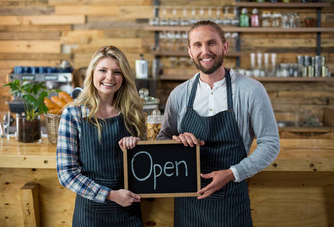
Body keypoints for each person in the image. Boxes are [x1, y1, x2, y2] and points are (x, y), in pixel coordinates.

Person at [156, 20, 280, 226]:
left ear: (224, 46)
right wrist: (176, 141)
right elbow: (163, 138)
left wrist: (232, 173)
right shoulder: (179, 94)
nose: (205, 51)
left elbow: (270, 143)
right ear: (189, 51)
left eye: (211, 43)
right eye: (197, 45)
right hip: (189, 204)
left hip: (232, 201)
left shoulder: (251, 90)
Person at [56, 45, 146, 227]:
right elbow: (66, 173)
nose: (109, 77)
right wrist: (111, 195)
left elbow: (146, 169)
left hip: (128, 212)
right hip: (90, 214)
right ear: (92, 74)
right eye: (103, 70)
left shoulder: (132, 113)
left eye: (117, 72)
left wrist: (140, 147)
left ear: (124, 77)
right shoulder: (73, 114)